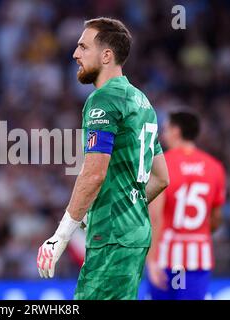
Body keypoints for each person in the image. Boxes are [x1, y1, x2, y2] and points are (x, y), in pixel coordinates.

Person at [36, 17, 170, 300]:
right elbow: (161, 178)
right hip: (134, 233)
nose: (75, 54)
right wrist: (124, 203)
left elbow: (94, 173)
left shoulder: (103, 100)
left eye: (83, 47)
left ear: (106, 55)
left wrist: (61, 236)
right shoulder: (142, 101)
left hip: (112, 237)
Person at [146, 111, 226, 300]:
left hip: (166, 257)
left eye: (166, 129)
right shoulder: (215, 167)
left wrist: (150, 260)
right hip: (198, 258)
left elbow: (154, 217)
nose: (163, 134)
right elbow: (215, 218)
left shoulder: (162, 163)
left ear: (176, 131)